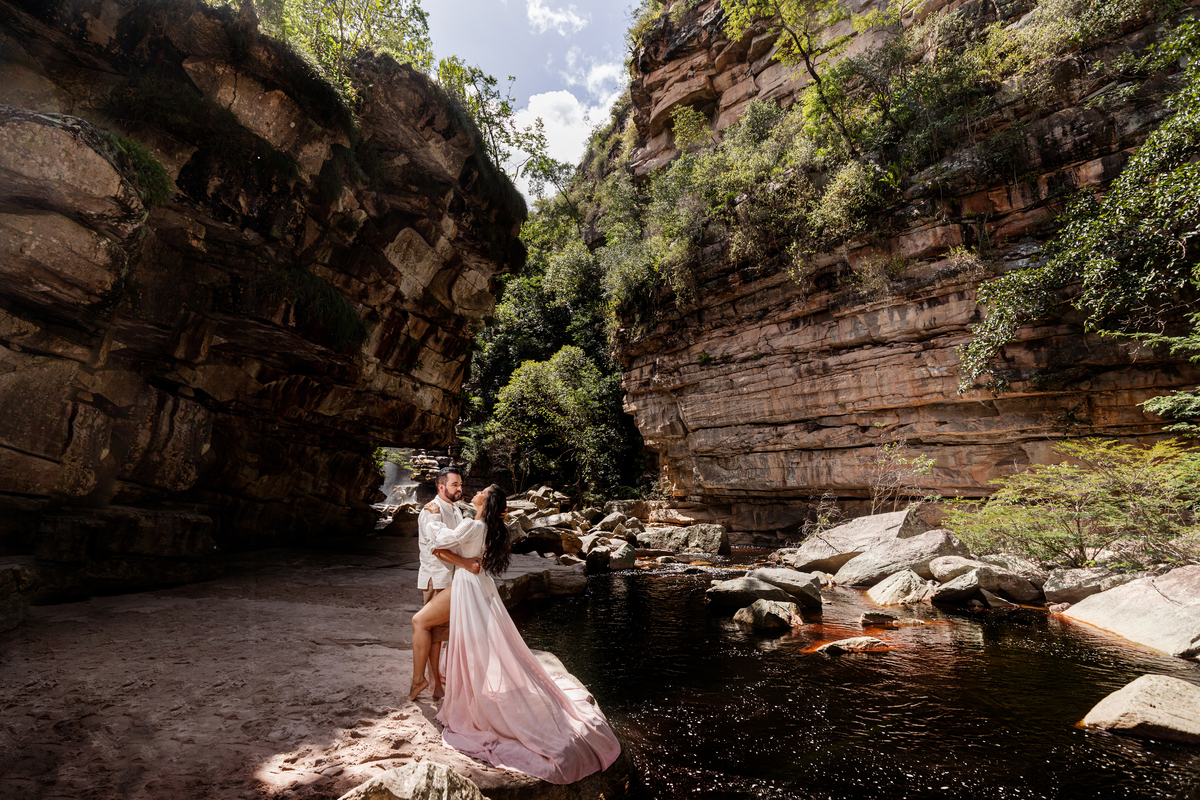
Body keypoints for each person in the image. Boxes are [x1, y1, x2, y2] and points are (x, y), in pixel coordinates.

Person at [410, 484, 622, 785]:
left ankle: (428, 683)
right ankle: (440, 684)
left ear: (486, 500)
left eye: (481, 491)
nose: (474, 491)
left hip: (468, 585)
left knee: (437, 628)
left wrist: (431, 516)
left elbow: (441, 541)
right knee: (470, 639)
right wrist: (463, 558)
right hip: (477, 582)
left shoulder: (474, 523)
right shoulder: (484, 525)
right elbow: (457, 550)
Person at [414, 466, 468, 700]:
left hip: (450, 578)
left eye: (460, 484)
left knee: (439, 635)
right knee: (433, 633)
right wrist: (469, 564)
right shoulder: (431, 511)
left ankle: (434, 683)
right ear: (441, 486)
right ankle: (431, 684)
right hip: (437, 578)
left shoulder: (454, 509)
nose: (459, 488)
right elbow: (437, 550)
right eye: (455, 484)